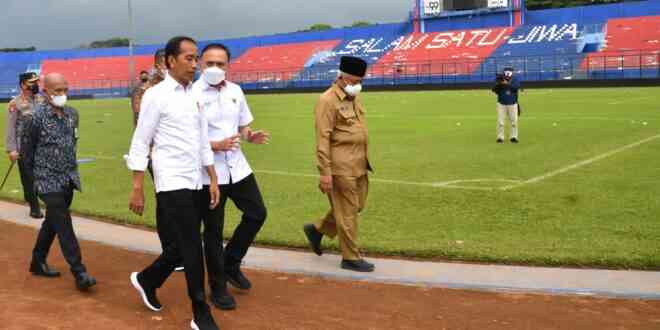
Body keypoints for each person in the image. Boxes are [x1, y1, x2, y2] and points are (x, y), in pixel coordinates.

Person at [126, 36, 221, 330]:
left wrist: (213, 177)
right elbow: (141, 141)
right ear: (170, 61)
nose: (195, 64)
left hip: (196, 178)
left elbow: (203, 139)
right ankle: (201, 314)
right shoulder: (156, 95)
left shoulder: (195, 95)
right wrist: (138, 186)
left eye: (196, 59)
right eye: (189, 58)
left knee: (182, 246)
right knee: (193, 245)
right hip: (170, 180)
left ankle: (147, 279)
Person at [193, 43, 270, 308]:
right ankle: (218, 288)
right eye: (209, 63)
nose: (215, 68)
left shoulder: (236, 90)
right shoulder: (191, 94)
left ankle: (231, 262)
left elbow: (242, 124)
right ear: (200, 64)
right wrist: (216, 145)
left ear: (228, 65)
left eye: (221, 64)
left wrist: (250, 135)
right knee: (213, 231)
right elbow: (188, 139)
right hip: (208, 174)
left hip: (238, 167)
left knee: (257, 213)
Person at [23, 73, 96, 291]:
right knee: (63, 223)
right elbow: (27, 153)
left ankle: (37, 261)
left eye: (65, 90)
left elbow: (71, 143)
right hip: (46, 180)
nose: (62, 94)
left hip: (68, 178)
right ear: (46, 91)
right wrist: (35, 182)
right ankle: (79, 271)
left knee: (53, 222)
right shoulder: (35, 118)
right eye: (57, 91)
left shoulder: (73, 114)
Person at [303, 56, 375, 273]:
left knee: (356, 206)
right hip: (340, 166)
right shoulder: (327, 101)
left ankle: (318, 230)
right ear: (341, 76)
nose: (356, 85)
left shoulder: (354, 98)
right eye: (352, 81)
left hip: (360, 163)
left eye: (359, 81)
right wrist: (325, 172)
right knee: (348, 213)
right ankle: (350, 257)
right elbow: (322, 138)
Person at [5, 72, 44, 219]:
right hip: (24, 147)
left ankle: (33, 197)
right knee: (28, 178)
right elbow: (11, 128)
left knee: (42, 176)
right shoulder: (15, 104)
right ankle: (34, 207)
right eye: (31, 82)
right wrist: (12, 149)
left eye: (36, 82)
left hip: (41, 146)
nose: (35, 85)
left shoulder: (42, 100)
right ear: (23, 85)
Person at [492, 67, 521, 143]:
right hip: (501, 104)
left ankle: (513, 137)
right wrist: (500, 84)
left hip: (513, 104)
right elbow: (494, 90)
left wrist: (507, 84)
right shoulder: (499, 79)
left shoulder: (515, 79)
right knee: (500, 122)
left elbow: (516, 88)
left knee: (514, 121)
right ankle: (500, 137)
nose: (508, 74)